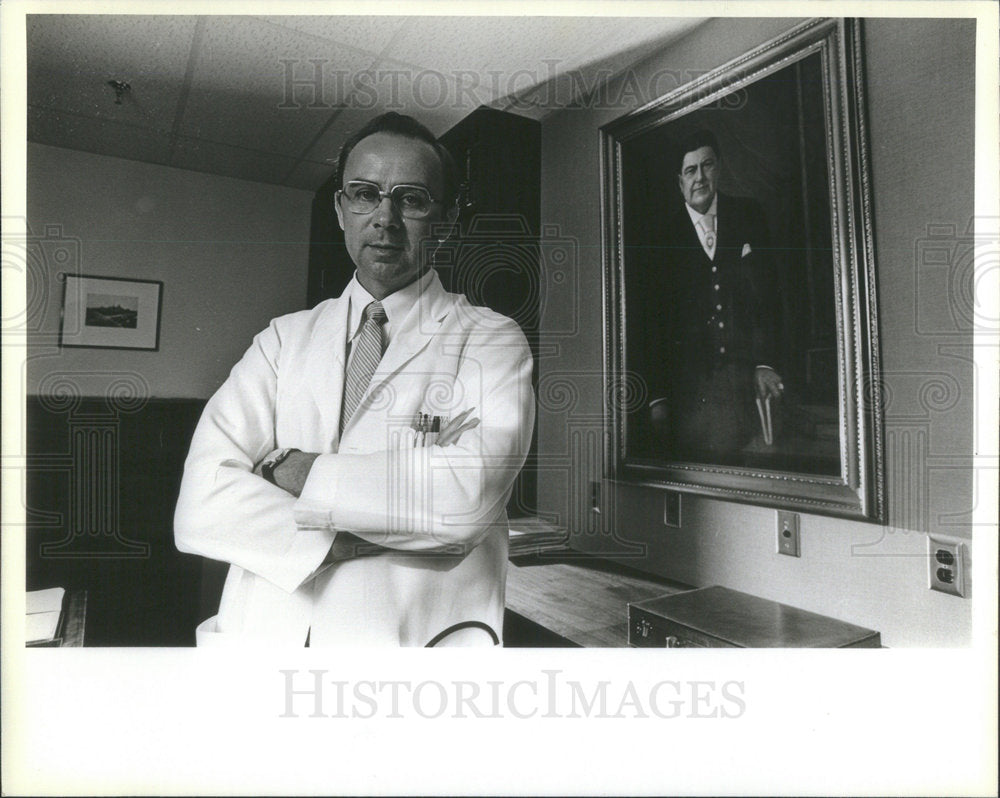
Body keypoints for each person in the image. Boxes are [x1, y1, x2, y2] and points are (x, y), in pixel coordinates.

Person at [174, 112, 535, 646]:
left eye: (411, 199)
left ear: (449, 217)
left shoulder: (490, 340)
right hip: (266, 645)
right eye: (364, 194)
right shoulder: (281, 341)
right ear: (341, 209)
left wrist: (297, 471)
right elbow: (201, 504)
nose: (384, 218)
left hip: (409, 654)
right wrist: (332, 540)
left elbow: (466, 499)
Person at [640, 129, 783, 463]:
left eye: (707, 166)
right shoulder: (660, 237)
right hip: (690, 393)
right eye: (691, 170)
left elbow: (773, 297)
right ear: (680, 181)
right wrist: (658, 398)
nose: (700, 178)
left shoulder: (749, 216)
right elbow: (651, 323)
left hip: (747, 382)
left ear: (718, 168)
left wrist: (765, 362)